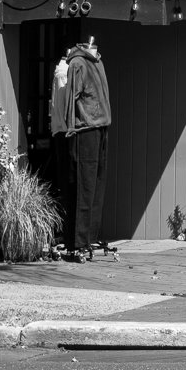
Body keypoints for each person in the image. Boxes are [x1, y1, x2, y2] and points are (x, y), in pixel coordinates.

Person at [49, 36, 113, 261]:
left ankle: (88, 237)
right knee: (83, 186)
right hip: (84, 129)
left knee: (95, 185)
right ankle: (77, 241)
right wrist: (70, 128)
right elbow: (70, 99)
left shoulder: (98, 61)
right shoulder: (76, 64)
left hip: (101, 127)